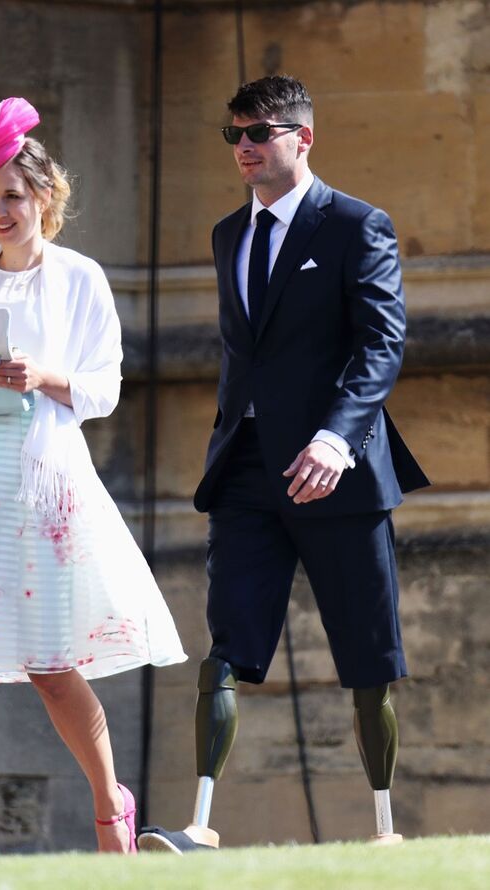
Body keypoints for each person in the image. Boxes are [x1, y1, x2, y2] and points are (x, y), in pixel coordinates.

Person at [0, 97, 186, 857]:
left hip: (39, 482)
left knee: (52, 664)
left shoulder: (80, 278)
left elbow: (104, 388)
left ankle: (110, 804)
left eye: (11, 196)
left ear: (44, 198)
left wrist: (42, 375)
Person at [138, 75, 429, 853]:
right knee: (227, 642)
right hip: (244, 469)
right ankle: (200, 823)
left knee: (368, 652)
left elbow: (381, 345)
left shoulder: (357, 225)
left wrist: (337, 439)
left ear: (304, 137)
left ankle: (383, 827)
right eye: (234, 134)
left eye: (260, 133)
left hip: (339, 470)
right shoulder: (228, 234)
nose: (244, 147)